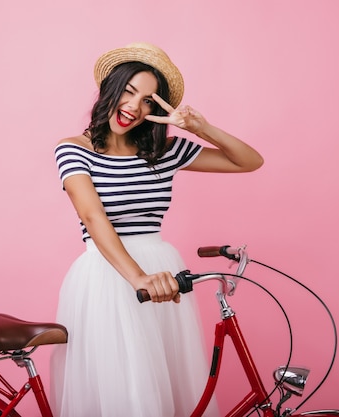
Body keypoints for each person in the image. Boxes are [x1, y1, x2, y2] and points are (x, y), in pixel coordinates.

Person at [51, 42, 263, 417]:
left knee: (163, 383)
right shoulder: (74, 149)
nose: (135, 106)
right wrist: (138, 278)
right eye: (129, 92)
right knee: (124, 386)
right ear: (109, 91)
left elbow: (249, 161)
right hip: (107, 273)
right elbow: (93, 217)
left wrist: (202, 127)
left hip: (162, 273)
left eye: (149, 100)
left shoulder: (163, 151)